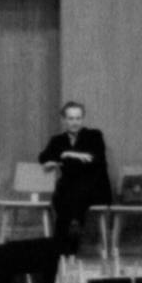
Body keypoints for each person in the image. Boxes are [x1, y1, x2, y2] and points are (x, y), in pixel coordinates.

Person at [38, 101, 110, 257]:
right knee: (63, 194)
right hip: (68, 188)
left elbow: (95, 160)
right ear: (64, 120)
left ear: (83, 119)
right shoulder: (58, 140)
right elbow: (44, 158)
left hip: (94, 187)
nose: (75, 122)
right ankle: (69, 236)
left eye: (78, 118)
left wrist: (64, 157)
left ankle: (65, 244)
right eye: (71, 118)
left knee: (73, 192)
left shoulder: (94, 136)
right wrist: (69, 155)